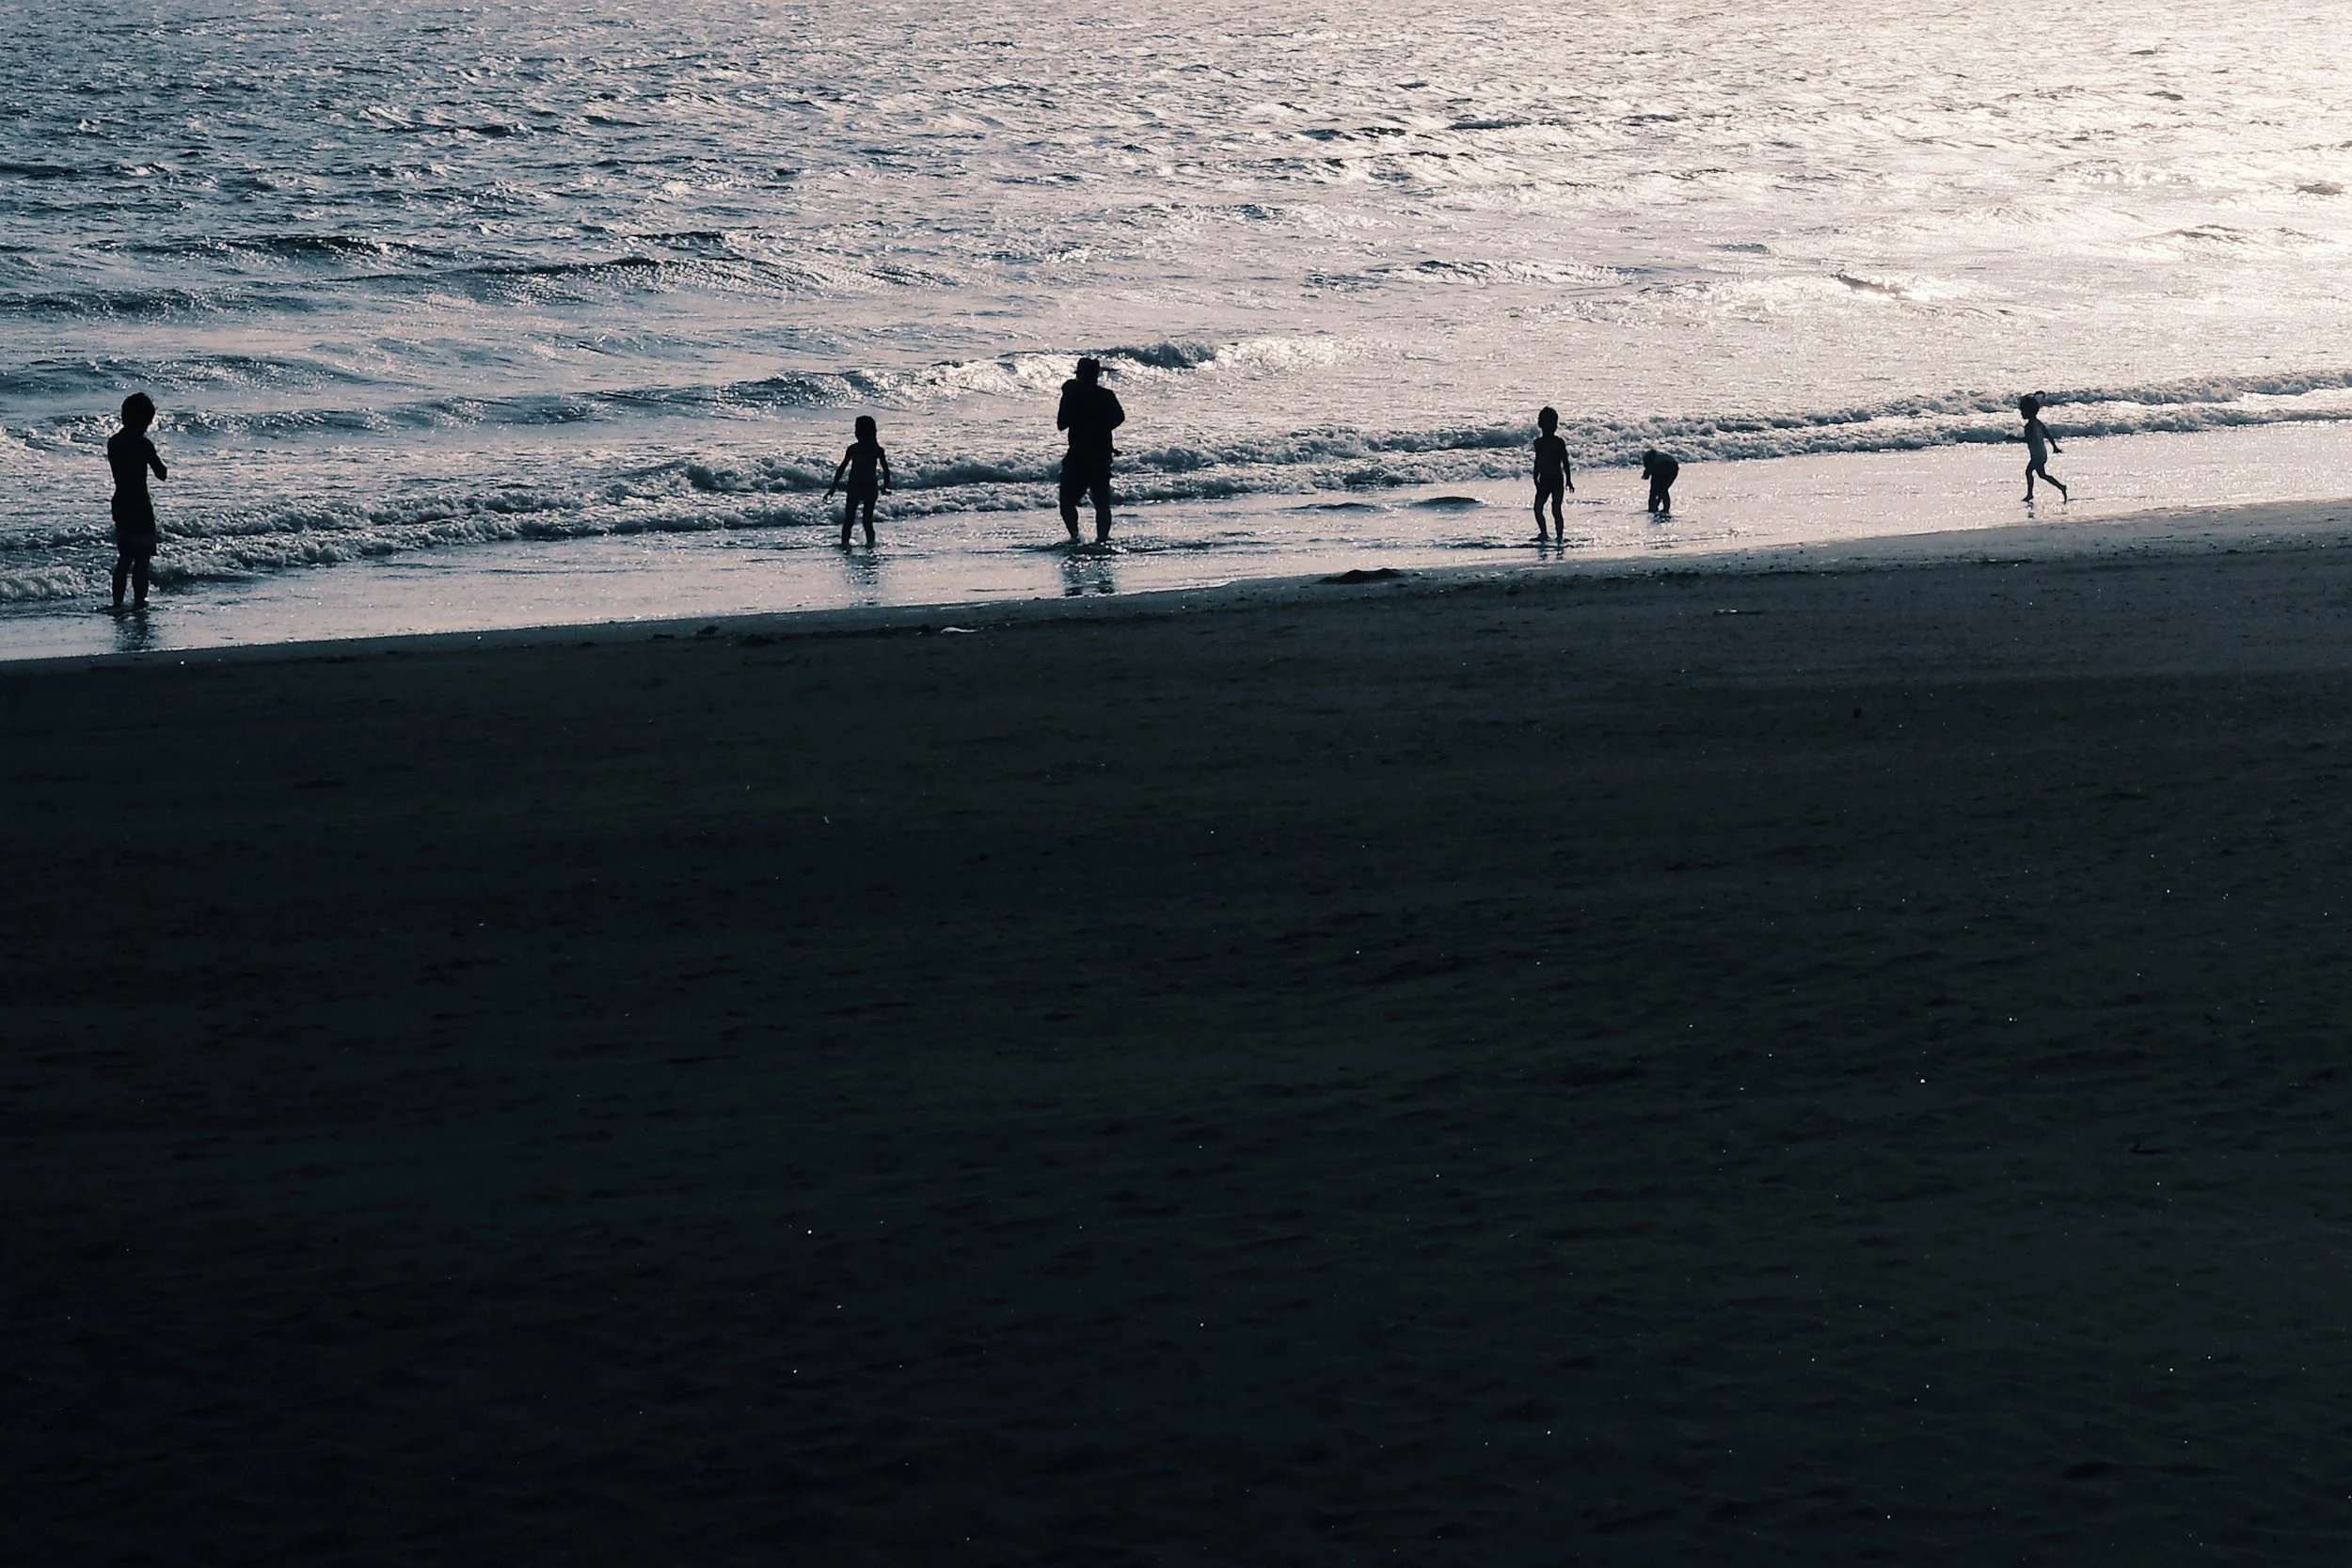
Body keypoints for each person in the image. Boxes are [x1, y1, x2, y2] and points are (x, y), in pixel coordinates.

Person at [106, 393, 167, 610]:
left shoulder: (114, 442)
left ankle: (117, 603)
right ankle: (140, 603)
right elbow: (161, 474)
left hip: (121, 503)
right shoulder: (143, 444)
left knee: (124, 558)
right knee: (142, 560)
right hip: (140, 504)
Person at [1056, 356, 1125, 546]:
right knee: (1101, 502)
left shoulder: (1072, 395)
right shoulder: (1106, 395)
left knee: (1067, 501)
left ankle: (1075, 537)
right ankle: (1102, 539)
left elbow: (1061, 424)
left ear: (1079, 374)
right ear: (1096, 375)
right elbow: (1119, 417)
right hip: (1100, 453)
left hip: (1078, 454)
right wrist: (1102, 427)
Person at [824, 415, 892, 546]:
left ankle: (868, 545)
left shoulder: (876, 450)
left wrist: (886, 486)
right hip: (855, 486)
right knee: (851, 520)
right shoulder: (853, 449)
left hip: (869, 487)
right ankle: (847, 544)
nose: (856, 432)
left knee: (865, 521)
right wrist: (833, 487)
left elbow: (886, 469)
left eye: (858, 429)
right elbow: (842, 468)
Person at [1532, 406, 1574, 539]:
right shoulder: (1539, 443)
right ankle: (1544, 533)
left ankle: (1559, 536)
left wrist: (1569, 480)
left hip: (1557, 480)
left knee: (1556, 509)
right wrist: (1535, 476)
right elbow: (1538, 461)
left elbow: (1565, 462)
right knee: (1538, 508)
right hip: (1544, 480)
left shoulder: (1559, 443)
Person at [2017, 394, 2067, 502]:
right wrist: (2055, 447)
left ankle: (2030, 494)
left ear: (2028, 411)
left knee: (2028, 472)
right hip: (2042, 453)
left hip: (2037, 455)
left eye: (2022, 411)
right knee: (2042, 475)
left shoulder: (2029, 426)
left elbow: (2028, 440)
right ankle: (2061, 487)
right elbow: (2048, 435)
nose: (2021, 413)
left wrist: (2014, 438)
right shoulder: (2038, 423)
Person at [1641, 448, 1678, 515]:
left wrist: (1647, 473)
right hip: (1674, 467)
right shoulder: (1656, 458)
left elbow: (1654, 488)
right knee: (1662, 489)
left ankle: (1654, 508)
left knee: (1658, 490)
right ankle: (1662, 508)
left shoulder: (1651, 461)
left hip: (1667, 466)